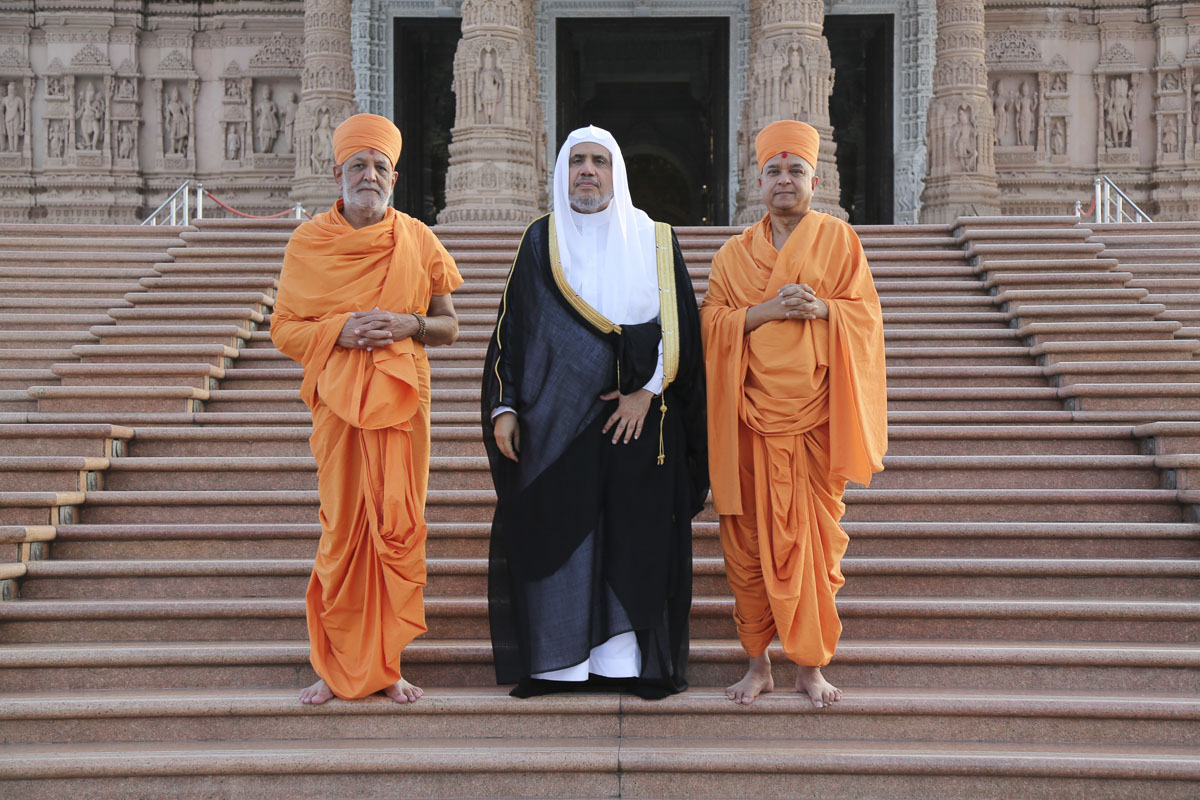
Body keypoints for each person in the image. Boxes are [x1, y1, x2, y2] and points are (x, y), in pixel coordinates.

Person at [482, 125, 708, 700]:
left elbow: (679, 326)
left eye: (599, 161)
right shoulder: (540, 240)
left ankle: (623, 666)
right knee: (563, 537)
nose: (588, 171)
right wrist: (505, 406)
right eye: (577, 161)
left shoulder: (655, 239)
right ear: (562, 172)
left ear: (617, 173)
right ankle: (561, 667)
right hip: (555, 425)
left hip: (639, 422)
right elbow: (514, 330)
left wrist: (646, 391)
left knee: (632, 541)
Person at [271, 113, 463, 705]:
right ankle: (333, 667)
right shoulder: (308, 243)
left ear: (395, 178)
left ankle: (386, 665)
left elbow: (448, 326)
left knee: (396, 527)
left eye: (380, 167)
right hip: (339, 406)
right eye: (358, 166)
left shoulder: (418, 239)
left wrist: (408, 323)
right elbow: (283, 330)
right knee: (343, 530)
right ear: (338, 175)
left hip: (403, 405)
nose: (369, 176)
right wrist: (338, 332)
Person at [700, 120, 886, 708]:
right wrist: (766, 311)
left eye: (796, 171)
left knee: (815, 546)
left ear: (815, 179)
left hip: (814, 421)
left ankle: (810, 665)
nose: (785, 180)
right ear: (759, 180)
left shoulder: (840, 240)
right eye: (774, 171)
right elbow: (711, 325)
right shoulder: (733, 254)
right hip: (749, 419)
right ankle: (758, 665)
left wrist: (826, 310)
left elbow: (866, 318)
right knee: (750, 546)